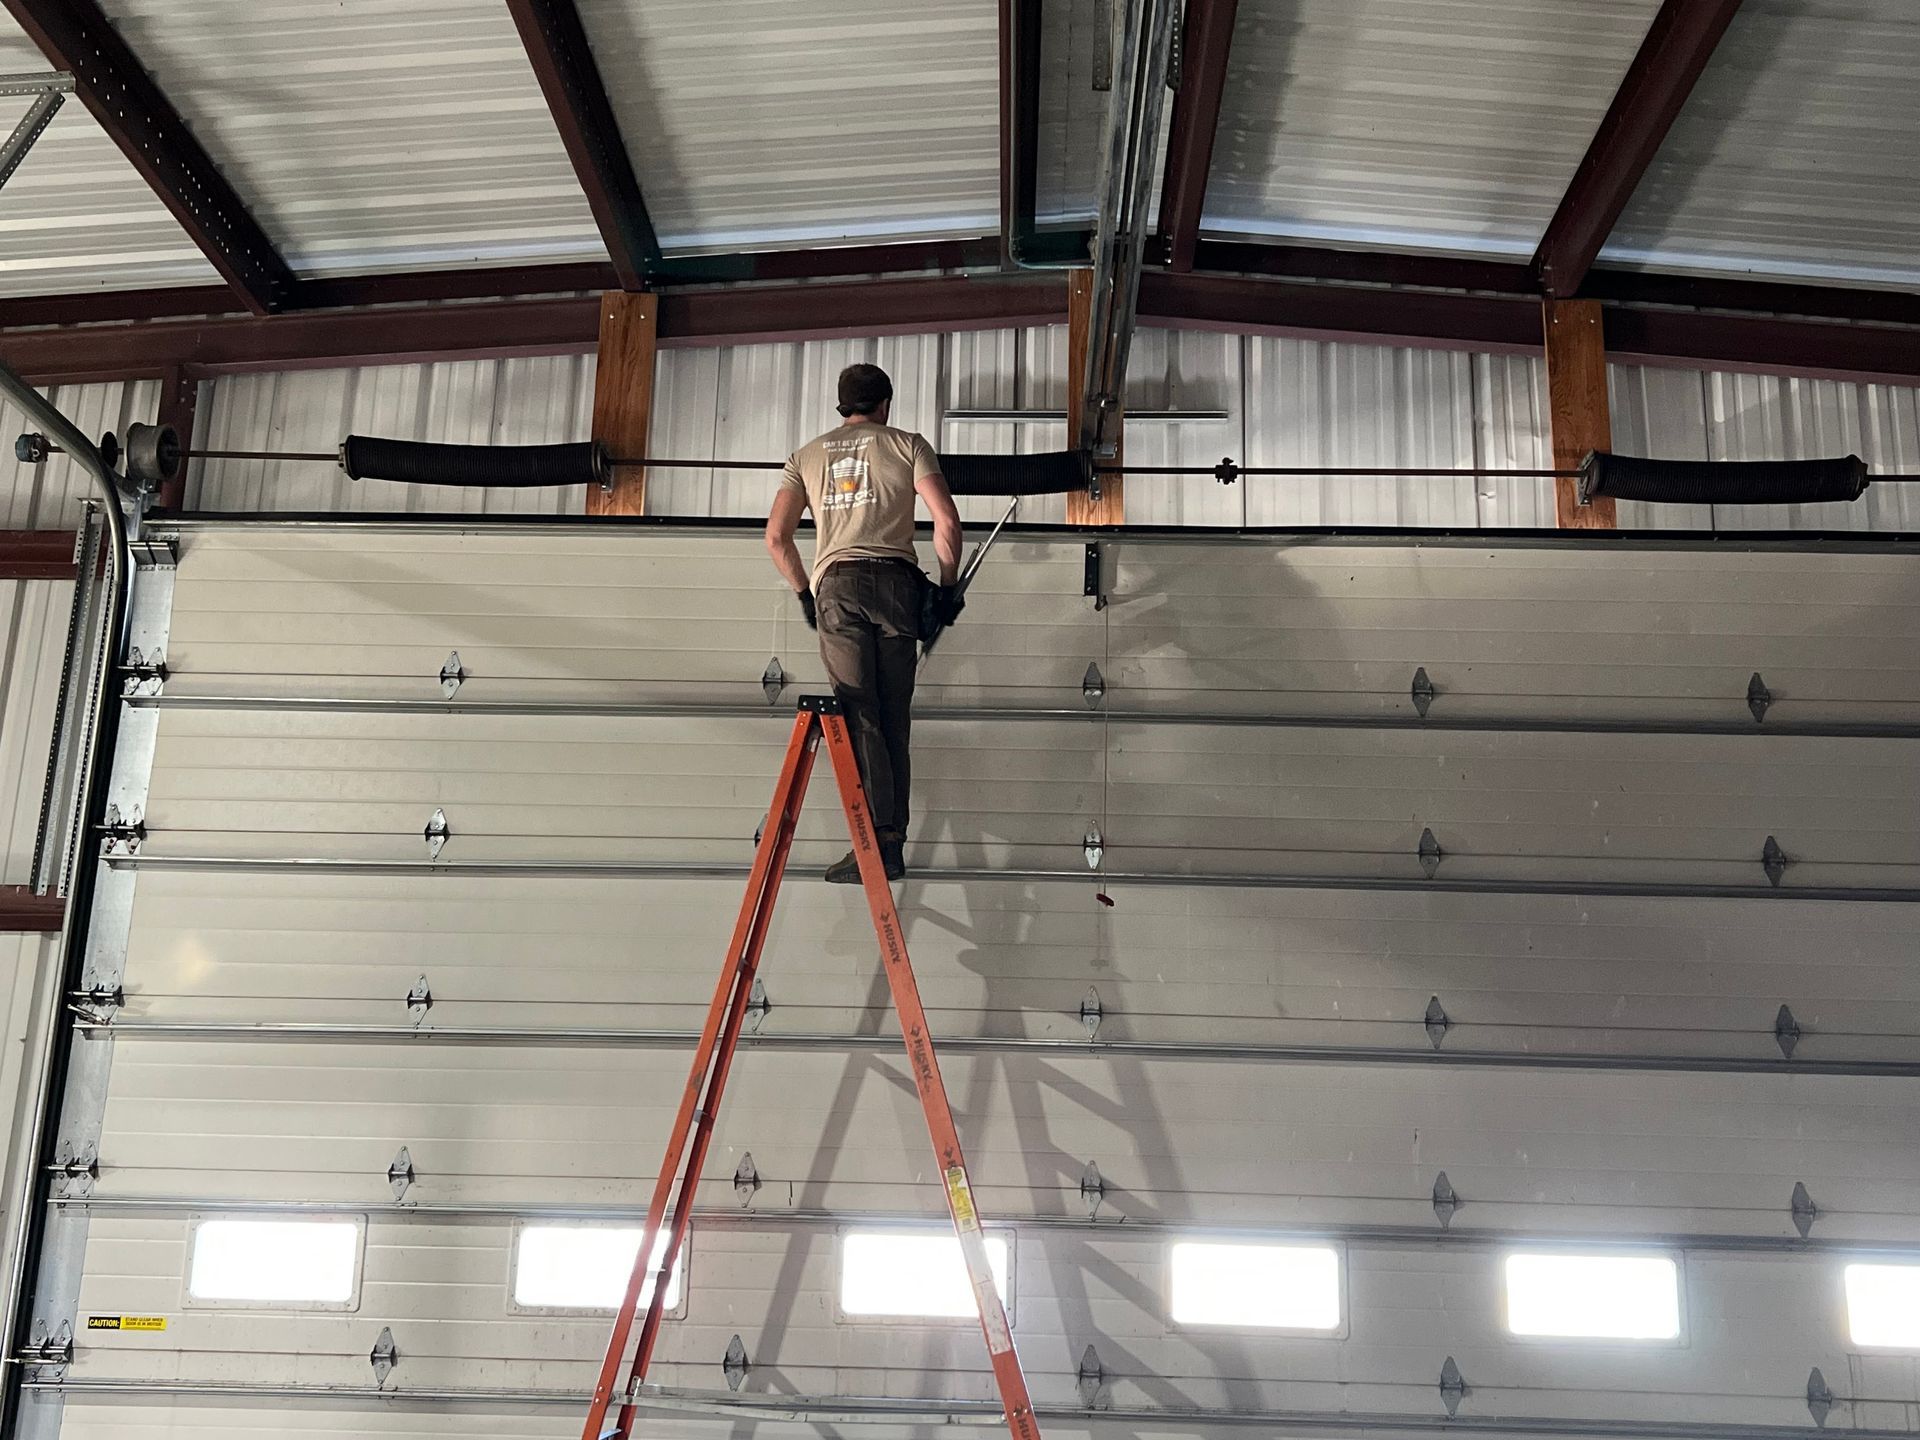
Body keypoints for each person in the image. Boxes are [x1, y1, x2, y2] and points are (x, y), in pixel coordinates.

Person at [765, 363, 964, 883]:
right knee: (894, 717)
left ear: (841, 407)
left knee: (860, 714)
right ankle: (890, 842)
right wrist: (945, 589)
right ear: (886, 405)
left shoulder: (804, 458)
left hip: (839, 589)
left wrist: (805, 594)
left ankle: (873, 847)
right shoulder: (909, 445)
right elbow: (946, 520)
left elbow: (776, 539)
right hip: (898, 586)